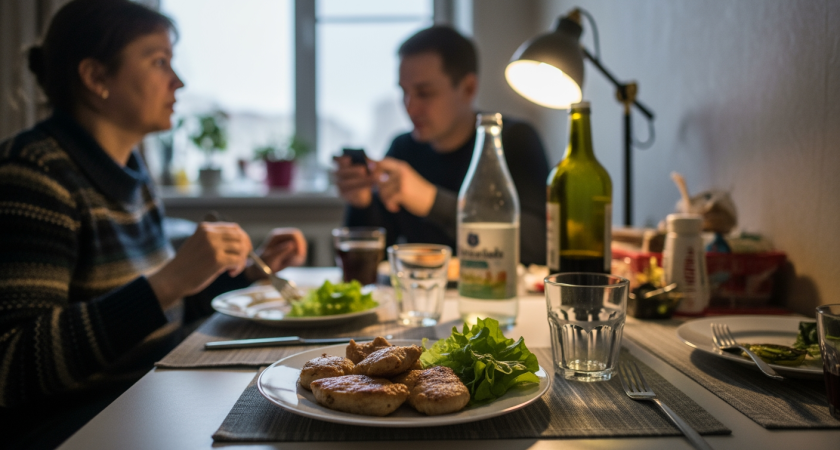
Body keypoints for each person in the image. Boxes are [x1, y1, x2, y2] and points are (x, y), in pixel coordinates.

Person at [0, 1, 306, 447]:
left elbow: (157, 313)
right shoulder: (34, 174)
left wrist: (243, 276)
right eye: (159, 61)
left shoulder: (131, 172)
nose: (177, 81)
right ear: (96, 77)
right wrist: (168, 281)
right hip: (78, 425)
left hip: (149, 393)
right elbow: (12, 365)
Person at [334, 26, 549, 266]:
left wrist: (432, 201)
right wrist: (361, 204)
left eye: (424, 93)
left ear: (468, 88)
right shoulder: (403, 148)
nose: (410, 107)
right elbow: (375, 264)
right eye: (404, 92)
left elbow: (539, 244)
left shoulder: (512, 139)